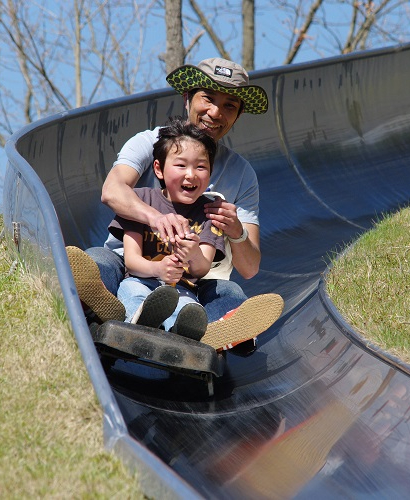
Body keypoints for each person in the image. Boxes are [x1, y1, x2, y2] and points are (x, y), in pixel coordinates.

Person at [67, 57, 282, 352]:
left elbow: (249, 268)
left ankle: (218, 334)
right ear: (187, 99)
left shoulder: (241, 174)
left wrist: (236, 232)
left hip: (195, 278)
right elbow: (112, 190)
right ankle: (106, 306)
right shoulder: (153, 143)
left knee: (228, 290)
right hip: (132, 263)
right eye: (208, 98)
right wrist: (156, 218)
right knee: (100, 261)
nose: (215, 112)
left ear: (237, 115)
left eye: (229, 105)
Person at [109, 118, 225, 340]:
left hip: (182, 288)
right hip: (142, 278)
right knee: (133, 293)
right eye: (181, 165)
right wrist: (158, 270)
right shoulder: (141, 200)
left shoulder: (209, 211)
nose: (191, 174)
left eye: (200, 166)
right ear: (159, 169)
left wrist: (193, 254)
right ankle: (141, 322)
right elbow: (131, 260)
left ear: (210, 172)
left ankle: (181, 335)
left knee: (188, 308)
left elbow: (201, 269)